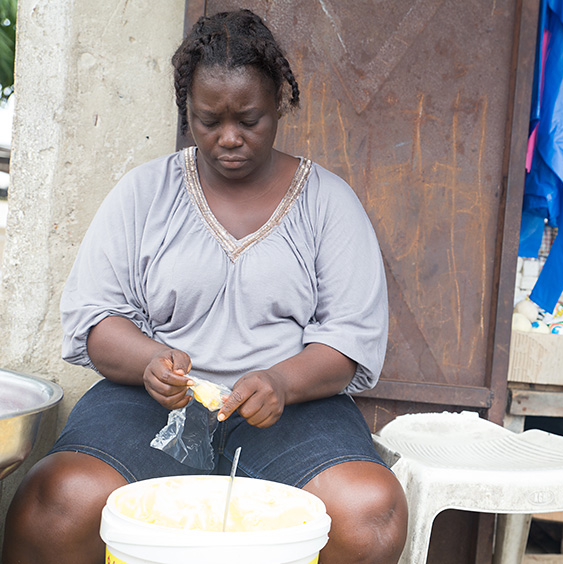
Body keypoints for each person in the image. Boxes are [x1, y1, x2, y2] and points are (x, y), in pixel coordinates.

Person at [2, 10, 408, 564]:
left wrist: (282, 382)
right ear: (186, 112)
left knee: (369, 512)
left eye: (249, 118)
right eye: (208, 120)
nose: (230, 138)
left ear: (280, 106)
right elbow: (96, 319)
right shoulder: (145, 193)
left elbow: (350, 339)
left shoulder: (328, 203)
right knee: (56, 501)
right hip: (148, 404)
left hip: (293, 409)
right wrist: (150, 360)